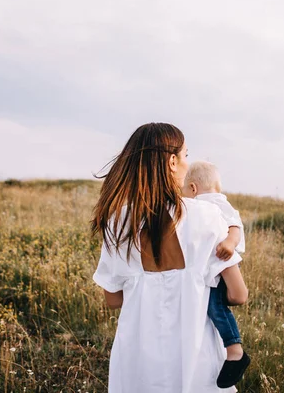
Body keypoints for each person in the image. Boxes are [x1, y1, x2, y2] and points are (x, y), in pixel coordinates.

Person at [91, 123, 249, 393]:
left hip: (136, 363)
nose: (188, 163)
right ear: (173, 161)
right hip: (195, 360)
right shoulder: (207, 216)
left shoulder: (116, 223)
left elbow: (112, 300)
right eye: (186, 155)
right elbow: (238, 294)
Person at [182, 161, 251, 388]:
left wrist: (230, 243)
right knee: (215, 305)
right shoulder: (212, 201)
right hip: (216, 265)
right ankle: (232, 351)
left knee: (216, 306)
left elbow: (235, 226)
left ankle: (235, 351)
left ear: (193, 188)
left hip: (222, 263)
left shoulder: (213, 203)